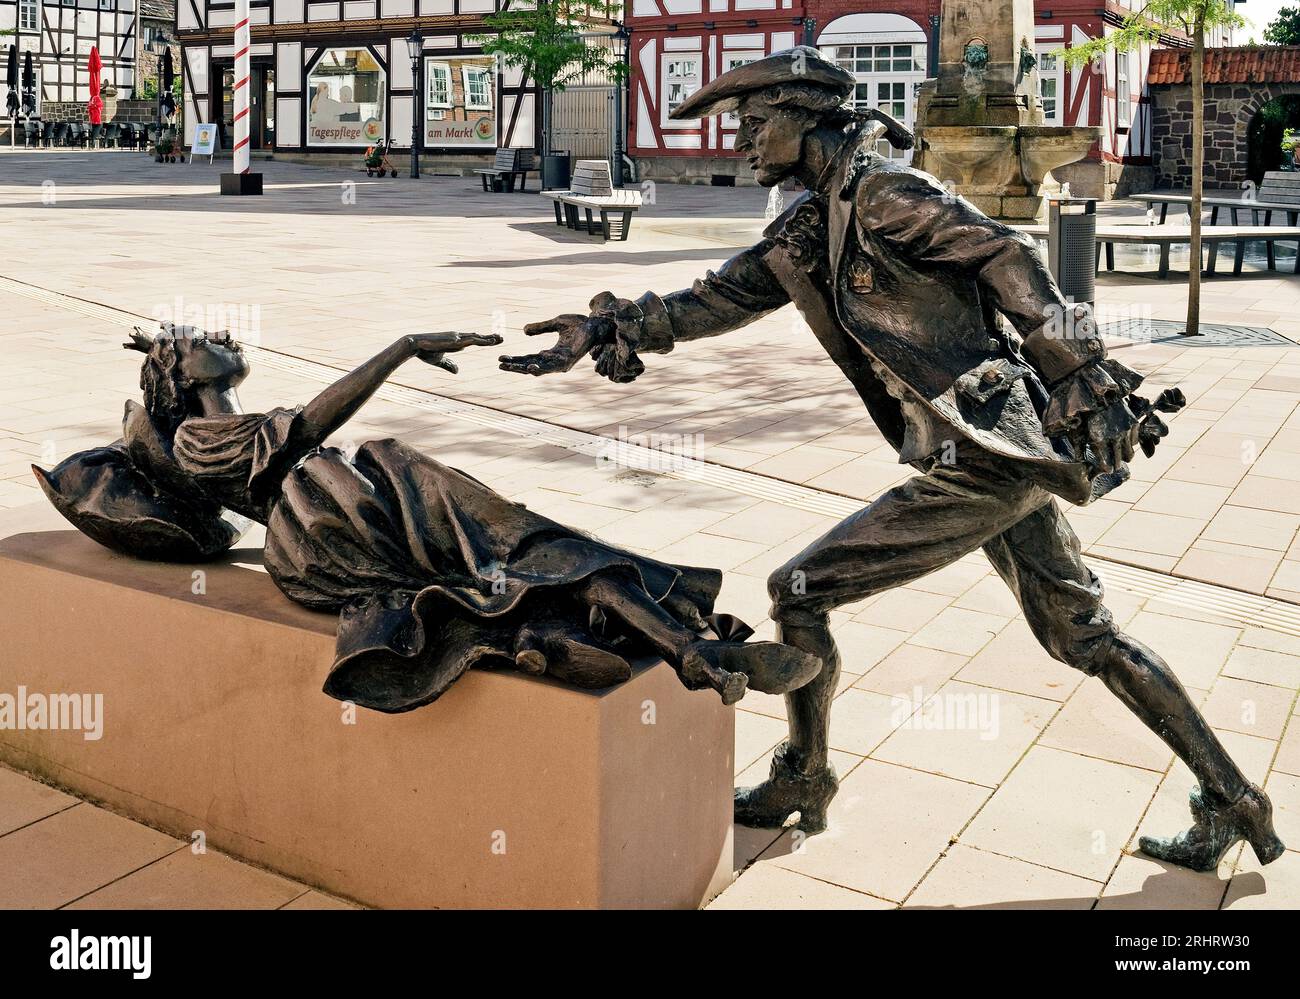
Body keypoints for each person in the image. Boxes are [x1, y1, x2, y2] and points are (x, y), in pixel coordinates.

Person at [497, 47, 1285, 871]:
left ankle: (806, 777)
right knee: (1084, 635)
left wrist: (1076, 366)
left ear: (803, 117)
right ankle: (1237, 797)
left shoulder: (880, 191)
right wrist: (614, 326)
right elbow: (723, 294)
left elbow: (1006, 251)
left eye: (754, 122)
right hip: (991, 456)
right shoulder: (815, 219)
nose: (742, 141)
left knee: (797, 592)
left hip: (987, 460)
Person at [35, 325, 820, 713]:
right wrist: (402, 346)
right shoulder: (198, 437)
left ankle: (689, 646)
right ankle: (678, 641)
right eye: (200, 339)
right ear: (179, 373)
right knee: (511, 547)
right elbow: (307, 426)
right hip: (323, 524)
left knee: (520, 544)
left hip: (352, 490)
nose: (219, 333)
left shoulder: (232, 429)